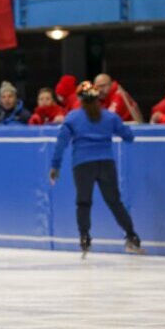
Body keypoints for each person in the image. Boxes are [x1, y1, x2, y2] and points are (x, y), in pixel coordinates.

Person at [50, 82, 142, 256]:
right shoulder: (110, 117)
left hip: (82, 164)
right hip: (106, 163)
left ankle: (85, 237)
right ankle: (132, 236)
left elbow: (61, 143)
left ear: (79, 99)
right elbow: (129, 136)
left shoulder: (72, 117)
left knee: (83, 202)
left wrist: (55, 165)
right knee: (115, 202)